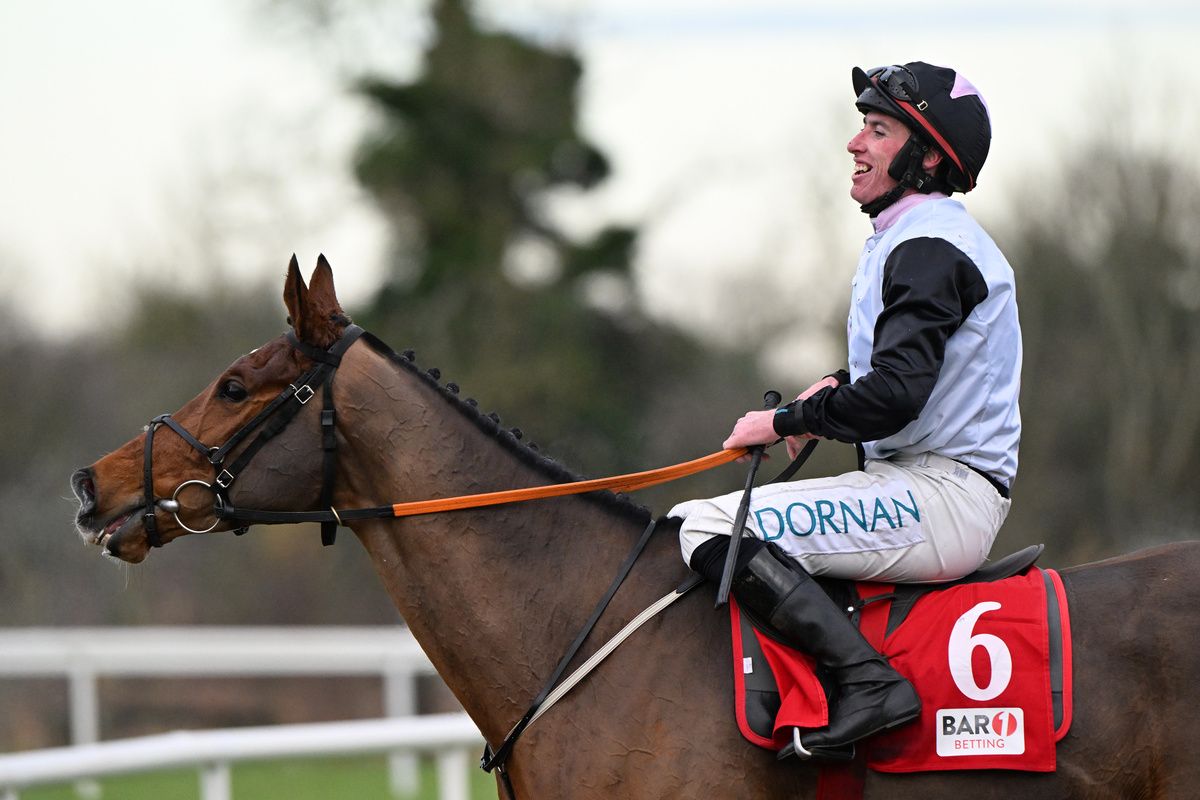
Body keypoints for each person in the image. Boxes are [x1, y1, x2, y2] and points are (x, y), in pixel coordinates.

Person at [670, 62, 1021, 756]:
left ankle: (869, 684)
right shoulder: (912, 238)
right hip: (923, 484)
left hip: (940, 495)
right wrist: (825, 393)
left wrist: (786, 422)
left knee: (706, 526)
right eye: (864, 124)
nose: (856, 143)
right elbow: (902, 371)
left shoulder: (929, 245)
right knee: (706, 522)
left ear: (925, 157)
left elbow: (895, 394)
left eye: (878, 129)